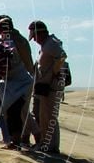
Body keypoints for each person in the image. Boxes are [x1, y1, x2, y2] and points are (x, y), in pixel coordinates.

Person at [0, 23, 33, 150]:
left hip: (17, 84)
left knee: (13, 113)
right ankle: (11, 140)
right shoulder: (1, 43)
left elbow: (5, 67)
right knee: (4, 110)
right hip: (17, 83)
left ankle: (15, 142)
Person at [28, 20, 67, 154]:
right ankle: (47, 144)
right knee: (44, 116)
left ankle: (50, 146)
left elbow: (62, 57)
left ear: (40, 33)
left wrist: (55, 74)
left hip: (51, 87)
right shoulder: (46, 45)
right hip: (45, 87)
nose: (34, 40)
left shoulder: (51, 43)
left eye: (35, 36)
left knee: (49, 117)